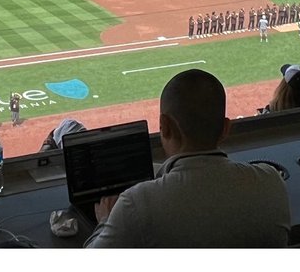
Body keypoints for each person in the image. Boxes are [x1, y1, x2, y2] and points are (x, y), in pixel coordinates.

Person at [86, 70, 289, 247]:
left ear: (164, 126)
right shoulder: (272, 182)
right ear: (226, 129)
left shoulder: (135, 205)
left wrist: (105, 221)